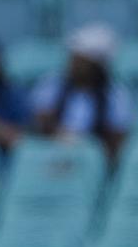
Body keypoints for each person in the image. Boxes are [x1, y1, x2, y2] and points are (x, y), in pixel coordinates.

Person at [30, 23, 132, 160]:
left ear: (97, 65)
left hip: (93, 161)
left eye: (80, 61)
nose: (73, 64)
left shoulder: (116, 95)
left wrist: (86, 147)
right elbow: (38, 123)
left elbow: (117, 139)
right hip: (51, 155)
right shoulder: (52, 84)